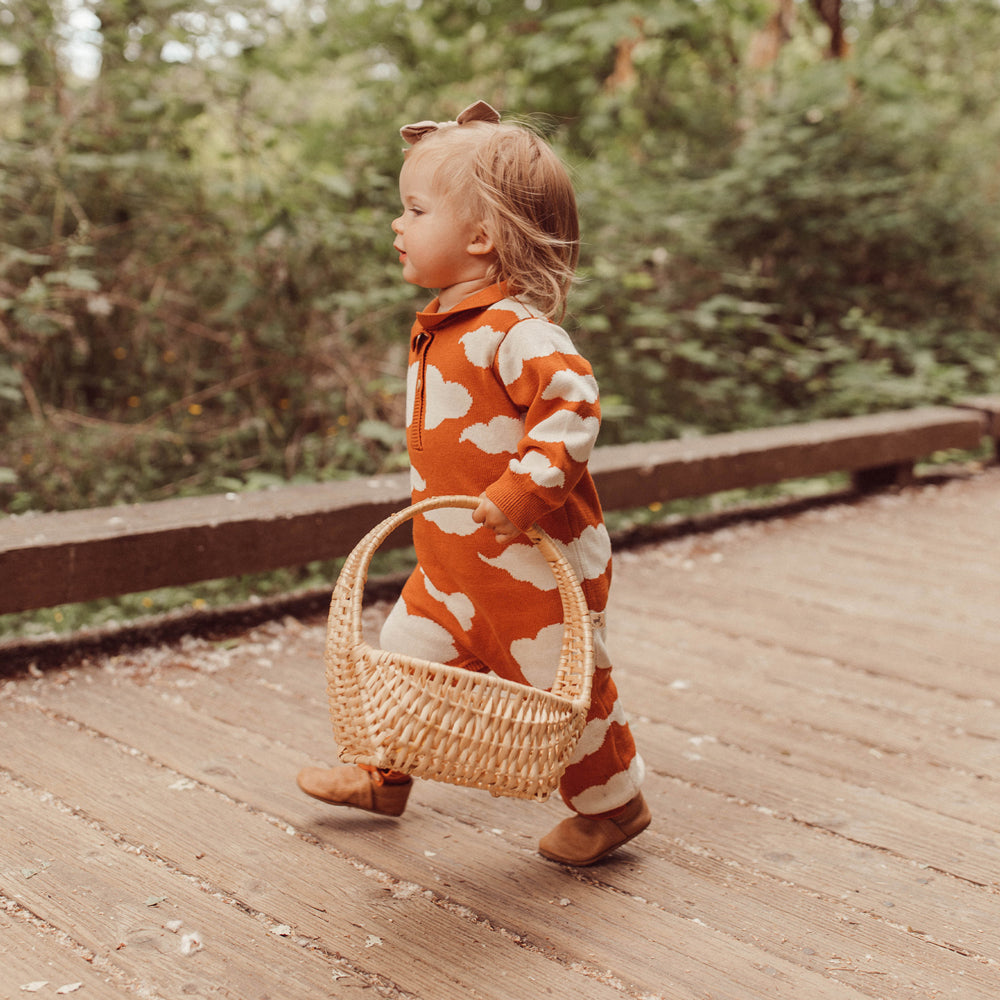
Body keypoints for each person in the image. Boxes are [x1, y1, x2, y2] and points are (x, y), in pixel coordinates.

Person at [297, 100, 649, 866]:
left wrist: (522, 492)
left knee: (567, 690)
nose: (397, 224)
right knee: (405, 653)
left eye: (414, 209)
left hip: (531, 565)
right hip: (453, 554)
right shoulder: (445, 322)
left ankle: (615, 806)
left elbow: (573, 405)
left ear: (482, 238)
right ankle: (384, 775)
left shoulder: (517, 331)